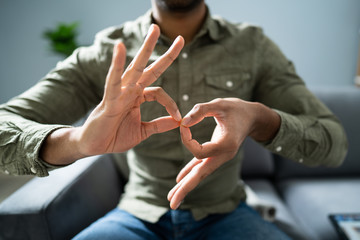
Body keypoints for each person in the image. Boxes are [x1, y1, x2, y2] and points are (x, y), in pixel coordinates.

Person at [0, 0, 348, 239]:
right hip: (138, 213)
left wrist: (260, 118)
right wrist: (76, 143)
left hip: (227, 212)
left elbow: (333, 144)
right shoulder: (107, 51)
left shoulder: (252, 45)